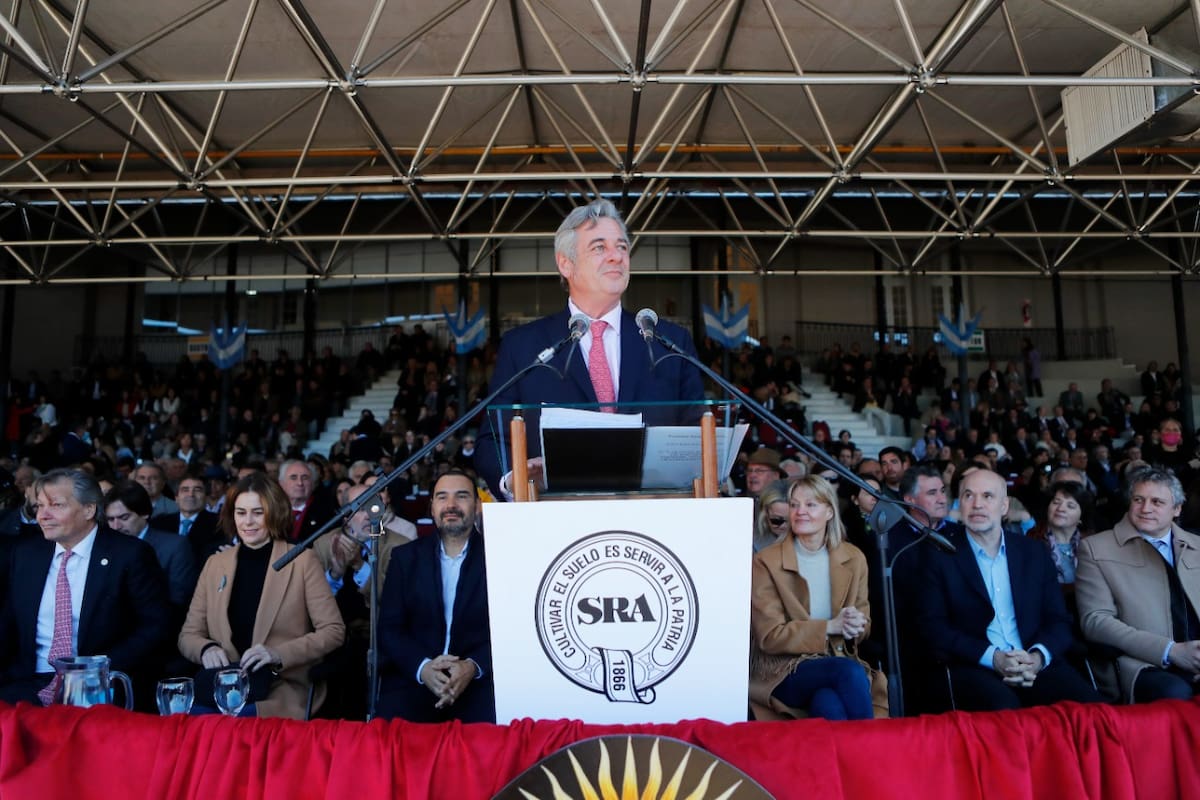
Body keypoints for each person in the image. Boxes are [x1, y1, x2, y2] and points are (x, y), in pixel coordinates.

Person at [474, 199, 704, 498]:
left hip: (655, 519)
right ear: (565, 263)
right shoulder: (525, 347)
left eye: (622, 247)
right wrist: (513, 479)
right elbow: (492, 440)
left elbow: (698, 434)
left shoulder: (669, 342)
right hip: (559, 522)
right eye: (599, 248)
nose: (616, 257)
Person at [917, 469, 1101, 711]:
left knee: (1094, 710)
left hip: (1033, 662)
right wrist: (993, 658)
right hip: (976, 665)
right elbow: (933, 628)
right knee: (1007, 713)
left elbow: (1058, 620)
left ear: (1004, 506)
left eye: (987, 496)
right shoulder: (939, 555)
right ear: (959, 504)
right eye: (968, 496)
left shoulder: (1033, 552)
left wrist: (1037, 658)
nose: (977, 505)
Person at [177, 472, 345, 719]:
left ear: (274, 513)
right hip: (222, 687)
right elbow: (188, 634)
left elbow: (333, 630)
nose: (248, 522)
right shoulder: (215, 563)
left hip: (278, 688)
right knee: (188, 727)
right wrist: (206, 648)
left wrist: (278, 654)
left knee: (236, 726)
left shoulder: (301, 560)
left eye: (258, 512)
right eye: (241, 513)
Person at [0, 469, 171, 707]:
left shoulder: (129, 554)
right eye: (39, 506)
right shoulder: (25, 554)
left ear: (89, 509)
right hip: (27, 682)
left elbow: (156, 626)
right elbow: (8, 621)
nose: (43, 516)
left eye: (56, 505)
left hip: (101, 683)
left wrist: (95, 669)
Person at [749, 475, 885, 721]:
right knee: (848, 673)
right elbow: (769, 637)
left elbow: (864, 625)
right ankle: (874, 751)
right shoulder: (765, 561)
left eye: (811, 505)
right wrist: (830, 626)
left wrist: (856, 624)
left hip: (835, 660)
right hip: (783, 669)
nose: (800, 511)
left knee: (827, 703)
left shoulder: (854, 558)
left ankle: (847, 758)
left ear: (830, 512)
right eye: (794, 505)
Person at [376, 470, 494, 722]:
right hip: (413, 679)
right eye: (442, 497)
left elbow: (511, 629)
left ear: (477, 505)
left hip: (478, 683)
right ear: (431, 508)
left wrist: (472, 667)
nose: (451, 505)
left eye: (461, 496)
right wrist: (423, 668)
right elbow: (389, 628)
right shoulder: (405, 558)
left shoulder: (499, 556)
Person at [1075, 467, 1200, 703]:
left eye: (1157, 502)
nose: (1146, 509)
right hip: (1142, 662)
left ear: (1177, 509)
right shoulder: (1096, 548)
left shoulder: (1197, 545)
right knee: (1175, 693)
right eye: (1138, 499)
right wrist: (1170, 651)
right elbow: (1095, 621)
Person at [753, 479, 791, 552]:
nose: (784, 525)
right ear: (765, 514)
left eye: (790, 520)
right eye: (776, 520)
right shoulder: (751, 542)